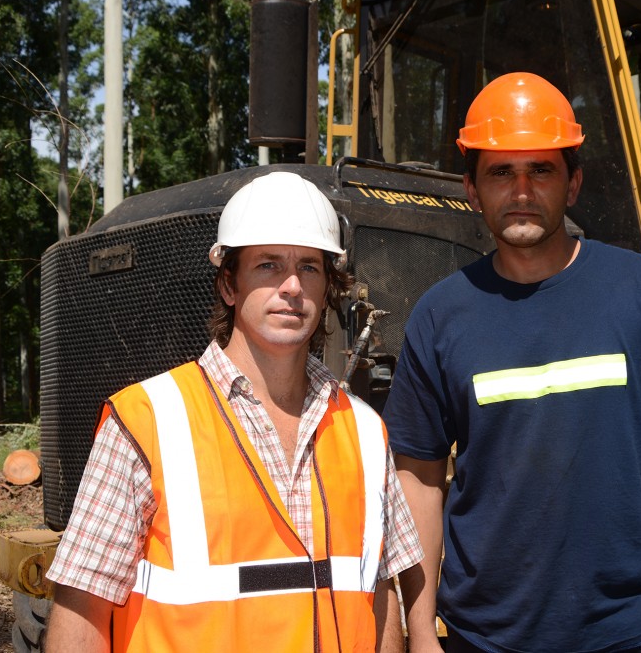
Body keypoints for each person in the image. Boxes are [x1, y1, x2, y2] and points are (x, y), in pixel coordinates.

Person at [384, 73, 641, 652]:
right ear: (472, 190)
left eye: (541, 170)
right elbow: (420, 481)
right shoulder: (439, 316)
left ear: (573, 183)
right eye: (501, 171)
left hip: (633, 633)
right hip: (485, 638)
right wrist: (421, 631)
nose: (521, 190)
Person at [45, 171, 423, 652]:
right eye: (268, 265)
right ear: (228, 284)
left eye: (309, 266)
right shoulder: (147, 420)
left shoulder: (366, 432)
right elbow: (82, 605)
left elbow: (379, 595)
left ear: (329, 286)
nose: (292, 286)